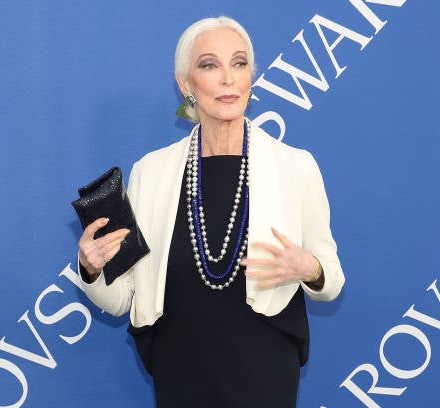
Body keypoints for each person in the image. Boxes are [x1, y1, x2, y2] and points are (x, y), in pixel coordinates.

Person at [77, 16, 345, 408]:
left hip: (265, 369)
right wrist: (92, 269)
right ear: (185, 84)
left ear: (251, 76)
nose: (227, 79)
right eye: (209, 65)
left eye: (239, 63)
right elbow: (121, 299)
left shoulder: (295, 166)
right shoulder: (150, 173)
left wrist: (310, 269)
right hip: (179, 369)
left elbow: (332, 281)